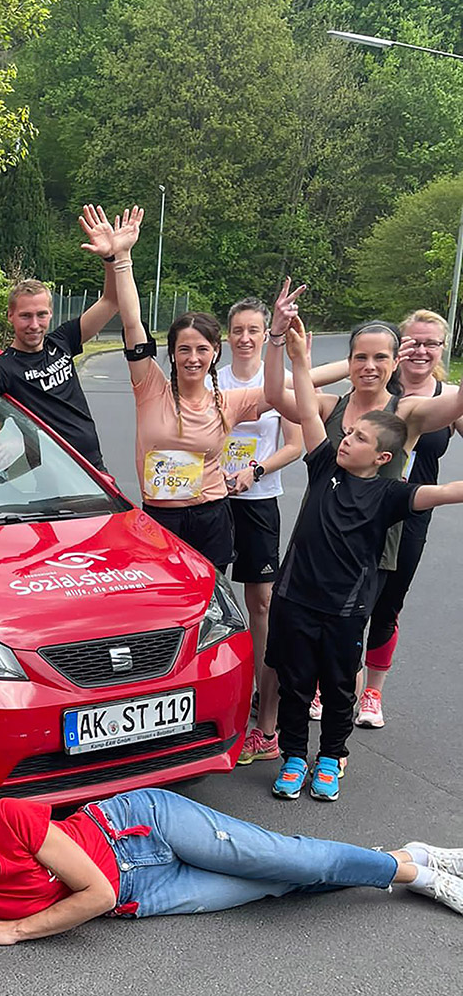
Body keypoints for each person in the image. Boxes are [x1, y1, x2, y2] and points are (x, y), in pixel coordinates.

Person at [0, 781, 463, 950]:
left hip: (141, 825)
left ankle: (423, 869)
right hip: (149, 893)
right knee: (278, 886)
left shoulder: (7, 816)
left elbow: (95, 892)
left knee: (288, 857)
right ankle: (403, 859)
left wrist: (16, 930)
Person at [262, 288, 463, 802]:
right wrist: (289, 347)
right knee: (295, 681)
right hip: (297, 592)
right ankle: (291, 756)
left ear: (383, 456)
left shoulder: (396, 478)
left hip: (349, 597)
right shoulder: (324, 459)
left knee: (339, 681)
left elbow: (442, 491)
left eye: (356, 439)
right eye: (359, 356)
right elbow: (303, 407)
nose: (345, 438)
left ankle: (330, 756)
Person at [100, 210, 268, 570]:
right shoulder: (149, 388)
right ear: (172, 354)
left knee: (213, 606)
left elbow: (293, 390)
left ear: (215, 352)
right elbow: (131, 322)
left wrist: (368, 367)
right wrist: (123, 258)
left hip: (212, 517)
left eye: (202, 349)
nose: (193, 358)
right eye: (184, 349)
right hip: (161, 519)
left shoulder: (230, 401)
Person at [0, 206, 144, 472]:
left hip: (93, 471)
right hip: (52, 474)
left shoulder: (62, 341)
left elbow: (111, 301)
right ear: (11, 317)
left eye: (41, 315)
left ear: (51, 314)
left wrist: (112, 257)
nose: (34, 324)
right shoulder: (4, 368)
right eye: (25, 316)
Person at [356, 309, 462, 729]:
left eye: (430, 343)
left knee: (388, 601)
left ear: (442, 350)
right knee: (345, 597)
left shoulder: (448, 397)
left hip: (413, 513)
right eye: (412, 342)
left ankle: (372, 692)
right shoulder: (380, 382)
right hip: (364, 507)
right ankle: (330, 683)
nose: (420, 350)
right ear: (398, 347)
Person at [220, 298, 303, 765]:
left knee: (262, 605)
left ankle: (266, 720)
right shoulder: (215, 379)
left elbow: (294, 446)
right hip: (211, 503)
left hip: (257, 502)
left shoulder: (279, 384)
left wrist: (255, 468)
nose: (246, 338)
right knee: (209, 601)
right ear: (227, 336)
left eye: (254, 329)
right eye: (238, 330)